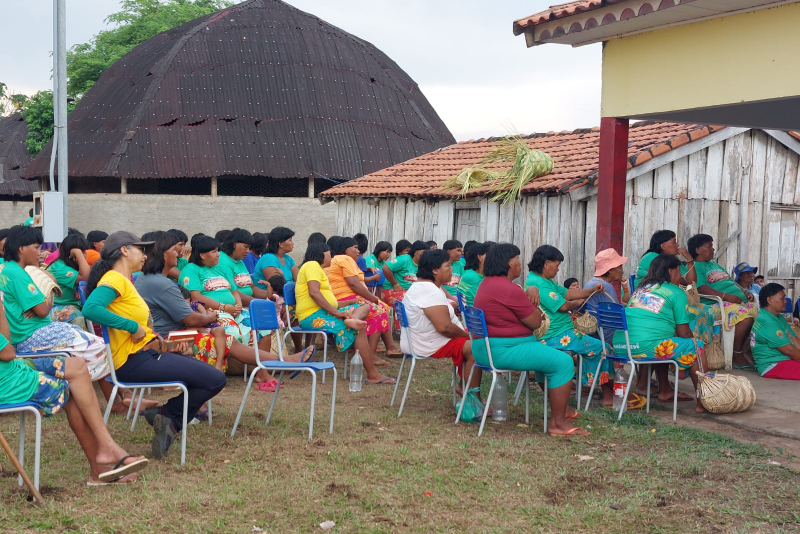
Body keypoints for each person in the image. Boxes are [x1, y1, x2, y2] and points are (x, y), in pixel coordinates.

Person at [83, 231, 226, 458]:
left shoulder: (128, 281)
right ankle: (168, 417)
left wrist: (167, 346)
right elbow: (90, 308)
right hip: (131, 362)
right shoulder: (115, 278)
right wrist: (132, 326)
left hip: (144, 355)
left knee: (210, 379)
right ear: (124, 250)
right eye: (141, 250)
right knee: (214, 380)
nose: (146, 256)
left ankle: (167, 417)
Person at [134, 231, 310, 393]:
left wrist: (239, 305)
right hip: (172, 337)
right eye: (175, 249)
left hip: (182, 328)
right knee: (226, 336)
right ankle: (278, 363)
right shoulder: (167, 281)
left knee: (256, 326)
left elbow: (234, 292)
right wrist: (214, 314)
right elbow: (192, 316)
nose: (180, 253)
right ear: (163, 254)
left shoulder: (154, 280)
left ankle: (267, 368)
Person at [0, 298, 149, 485]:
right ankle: (102, 460)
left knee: (77, 366)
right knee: (73, 389)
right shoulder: (14, 275)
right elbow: (7, 351)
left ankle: (105, 451)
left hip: (15, 366)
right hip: (9, 379)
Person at [474, 244, 588, 437]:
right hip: (504, 349)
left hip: (485, 348)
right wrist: (532, 301)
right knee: (564, 362)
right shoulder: (508, 289)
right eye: (517, 259)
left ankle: (564, 411)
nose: (520, 264)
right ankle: (558, 424)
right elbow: (536, 322)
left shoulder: (488, 283)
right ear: (508, 264)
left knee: (549, 360)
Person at [0, 225, 107, 380]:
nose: (40, 253)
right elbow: (43, 310)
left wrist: (39, 303)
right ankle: (94, 382)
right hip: (30, 334)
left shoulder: (7, 269)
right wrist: (48, 296)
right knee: (99, 346)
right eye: (36, 248)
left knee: (93, 343)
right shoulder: (18, 274)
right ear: (21, 248)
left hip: (26, 332)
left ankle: (114, 395)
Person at [614, 254, 709, 411]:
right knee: (696, 345)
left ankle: (665, 390)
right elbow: (684, 332)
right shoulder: (676, 292)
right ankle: (703, 401)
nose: (680, 276)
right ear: (671, 271)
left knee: (665, 343)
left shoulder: (641, 289)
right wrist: (693, 345)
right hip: (645, 348)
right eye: (679, 272)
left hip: (622, 347)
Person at [525, 245, 614, 406]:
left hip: (558, 334)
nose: (558, 269)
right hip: (556, 336)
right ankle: (605, 394)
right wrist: (576, 303)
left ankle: (587, 386)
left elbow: (567, 293)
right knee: (603, 347)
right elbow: (564, 305)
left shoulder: (543, 280)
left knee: (595, 347)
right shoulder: (539, 283)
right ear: (546, 263)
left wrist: (592, 290)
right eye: (557, 265)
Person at [295, 242, 394, 385]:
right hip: (312, 317)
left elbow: (330, 301)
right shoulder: (312, 265)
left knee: (364, 306)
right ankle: (372, 375)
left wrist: (351, 302)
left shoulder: (318, 269)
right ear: (322, 253)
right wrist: (336, 312)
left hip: (324, 312)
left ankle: (352, 319)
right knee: (358, 329)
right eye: (329, 253)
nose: (331, 256)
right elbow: (314, 293)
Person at [401, 249, 481, 396]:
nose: (451, 269)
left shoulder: (423, 286)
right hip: (427, 343)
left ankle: (465, 386)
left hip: (422, 339)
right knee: (476, 348)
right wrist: (466, 335)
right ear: (435, 270)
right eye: (448, 266)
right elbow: (444, 328)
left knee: (476, 339)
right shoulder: (429, 290)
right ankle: (471, 397)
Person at [684, 234, 757, 370]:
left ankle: (749, 351)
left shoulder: (714, 264)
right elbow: (699, 287)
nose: (713, 249)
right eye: (709, 246)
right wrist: (725, 296)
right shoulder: (696, 266)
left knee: (760, 317)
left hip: (737, 300)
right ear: (698, 250)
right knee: (745, 318)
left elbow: (730, 281)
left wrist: (745, 291)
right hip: (716, 304)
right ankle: (737, 354)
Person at [326, 237, 398, 359]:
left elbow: (357, 281)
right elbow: (354, 284)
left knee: (382, 307)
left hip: (345, 298)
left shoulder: (341, 260)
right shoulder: (345, 259)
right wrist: (372, 298)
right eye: (355, 248)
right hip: (345, 300)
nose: (358, 251)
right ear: (346, 250)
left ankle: (388, 347)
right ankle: (371, 354)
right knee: (378, 310)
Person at [179, 235, 254, 345]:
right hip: (212, 312)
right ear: (202, 255)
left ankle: (261, 362)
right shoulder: (190, 270)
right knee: (233, 334)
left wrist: (238, 305)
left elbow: (233, 291)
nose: (218, 254)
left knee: (262, 329)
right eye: (214, 252)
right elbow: (195, 297)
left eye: (218, 251)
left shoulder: (220, 268)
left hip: (234, 311)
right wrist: (223, 307)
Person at [751, 283, 800, 380]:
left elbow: (795, 341)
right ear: (769, 300)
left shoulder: (778, 317)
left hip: (783, 360)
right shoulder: (766, 321)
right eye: (782, 299)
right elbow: (789, 350)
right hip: (773, 365)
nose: (785, 301)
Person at [583, 248, 631, 345]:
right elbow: (617, 316)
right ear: (610, 270)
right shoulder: (606, 287)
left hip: (597, 334)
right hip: (609, 337)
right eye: (620, 267)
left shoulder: (591, 283)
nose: (622, 271)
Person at [47, 233, 92, 329]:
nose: (84, 255)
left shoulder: (72, 266)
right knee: (78, 318)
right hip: (55, 308)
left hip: (73, 305)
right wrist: (78, 254)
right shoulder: (59, 267)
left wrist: (78, 289)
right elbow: (86, 277)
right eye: (80, 252)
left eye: (84, 251)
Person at [382, 240, 430, 308]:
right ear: (415, 252)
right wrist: (396, 284)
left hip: (408, 293)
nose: (424, 255)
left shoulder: (421, 264)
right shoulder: (404, 259)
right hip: (391, 290)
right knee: (412, 304)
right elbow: (385, 268)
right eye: (423, 252)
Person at [457, 241, 492, 307]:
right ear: (480, 257)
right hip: (476, 313)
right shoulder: (475, 278)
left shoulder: (470, 272)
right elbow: (483, 302)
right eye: (489, 255)